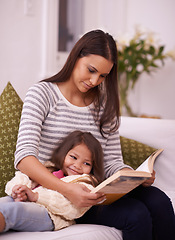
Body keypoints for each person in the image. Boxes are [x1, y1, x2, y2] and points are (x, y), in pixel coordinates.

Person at [0, 29, 174, 239]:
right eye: (91, 70)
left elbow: (112, 163)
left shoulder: (104, 106)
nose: (94, 80)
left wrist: (134, 176)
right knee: (136, 215)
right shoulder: (42, 94)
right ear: (76, 56)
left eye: (103, 75)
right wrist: (68, 190)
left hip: (92, 189)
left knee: (159, 201)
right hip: (59, 193)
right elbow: (24, 158)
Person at [0, 130, 104, 232]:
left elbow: (72, 210)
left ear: (93, 168)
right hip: (24, 201)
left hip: (50, 215)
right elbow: (24, 177)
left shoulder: (86, 185)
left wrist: (36, 196)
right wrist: (17, 189)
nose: (77, 165)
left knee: (13, 212)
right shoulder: (48, 169)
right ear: (63, 153)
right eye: (73, 157)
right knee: (4, 202)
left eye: (86, 163)